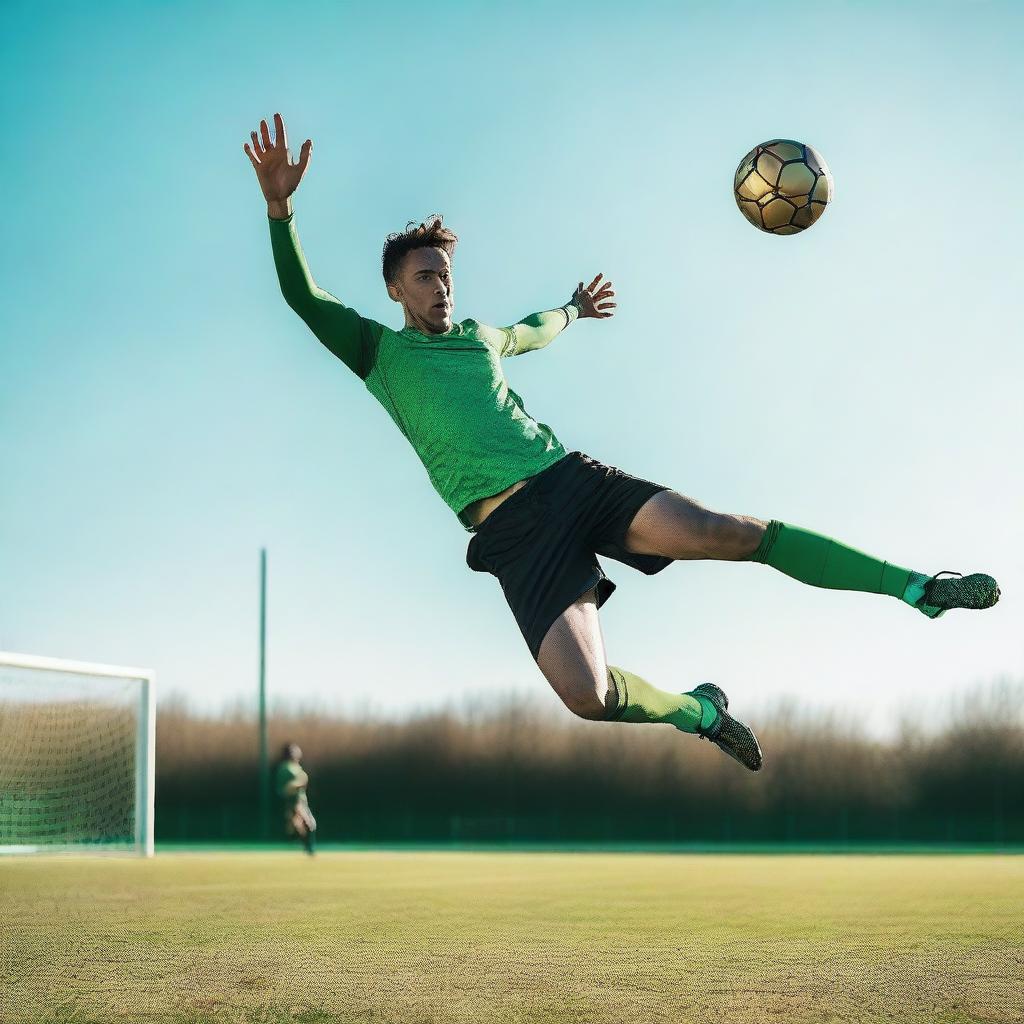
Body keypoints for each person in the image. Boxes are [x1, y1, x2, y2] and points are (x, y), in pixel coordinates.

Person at [244, 113, 1000, 773]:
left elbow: (530, 329)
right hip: (511, 536)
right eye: (424, 277)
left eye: (446, 274)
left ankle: (918, 588)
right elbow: (302, 298)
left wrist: (573, 309)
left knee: (729, 533)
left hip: (571, 480)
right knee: (589, 696)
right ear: (395, 291)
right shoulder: (379, 353)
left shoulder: (479, 340)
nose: (441, 287)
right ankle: (702, 713)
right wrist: (281, 212)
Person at [275, 743, 316, 855]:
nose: (297, 753)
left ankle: (307, 847)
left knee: (305, 825)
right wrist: (297, 784)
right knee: (307, 824)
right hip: (293, 802)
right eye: (294, 751)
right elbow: (285, 787)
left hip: (301, 801)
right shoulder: (285, 768)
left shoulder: (297, 766)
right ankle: (308, 847)